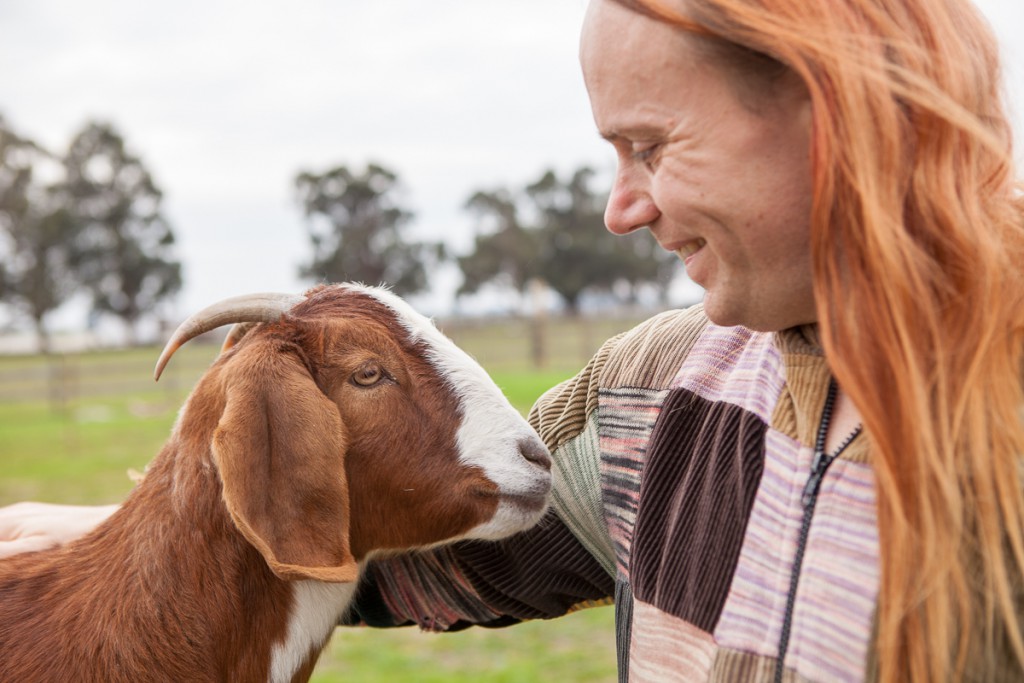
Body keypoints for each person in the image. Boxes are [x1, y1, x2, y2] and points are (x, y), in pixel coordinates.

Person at [1, 0, 1022, 680]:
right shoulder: (654, 392)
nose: (622, 207)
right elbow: (437, 540)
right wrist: (138, 533)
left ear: (835, 112)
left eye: (650, 145)